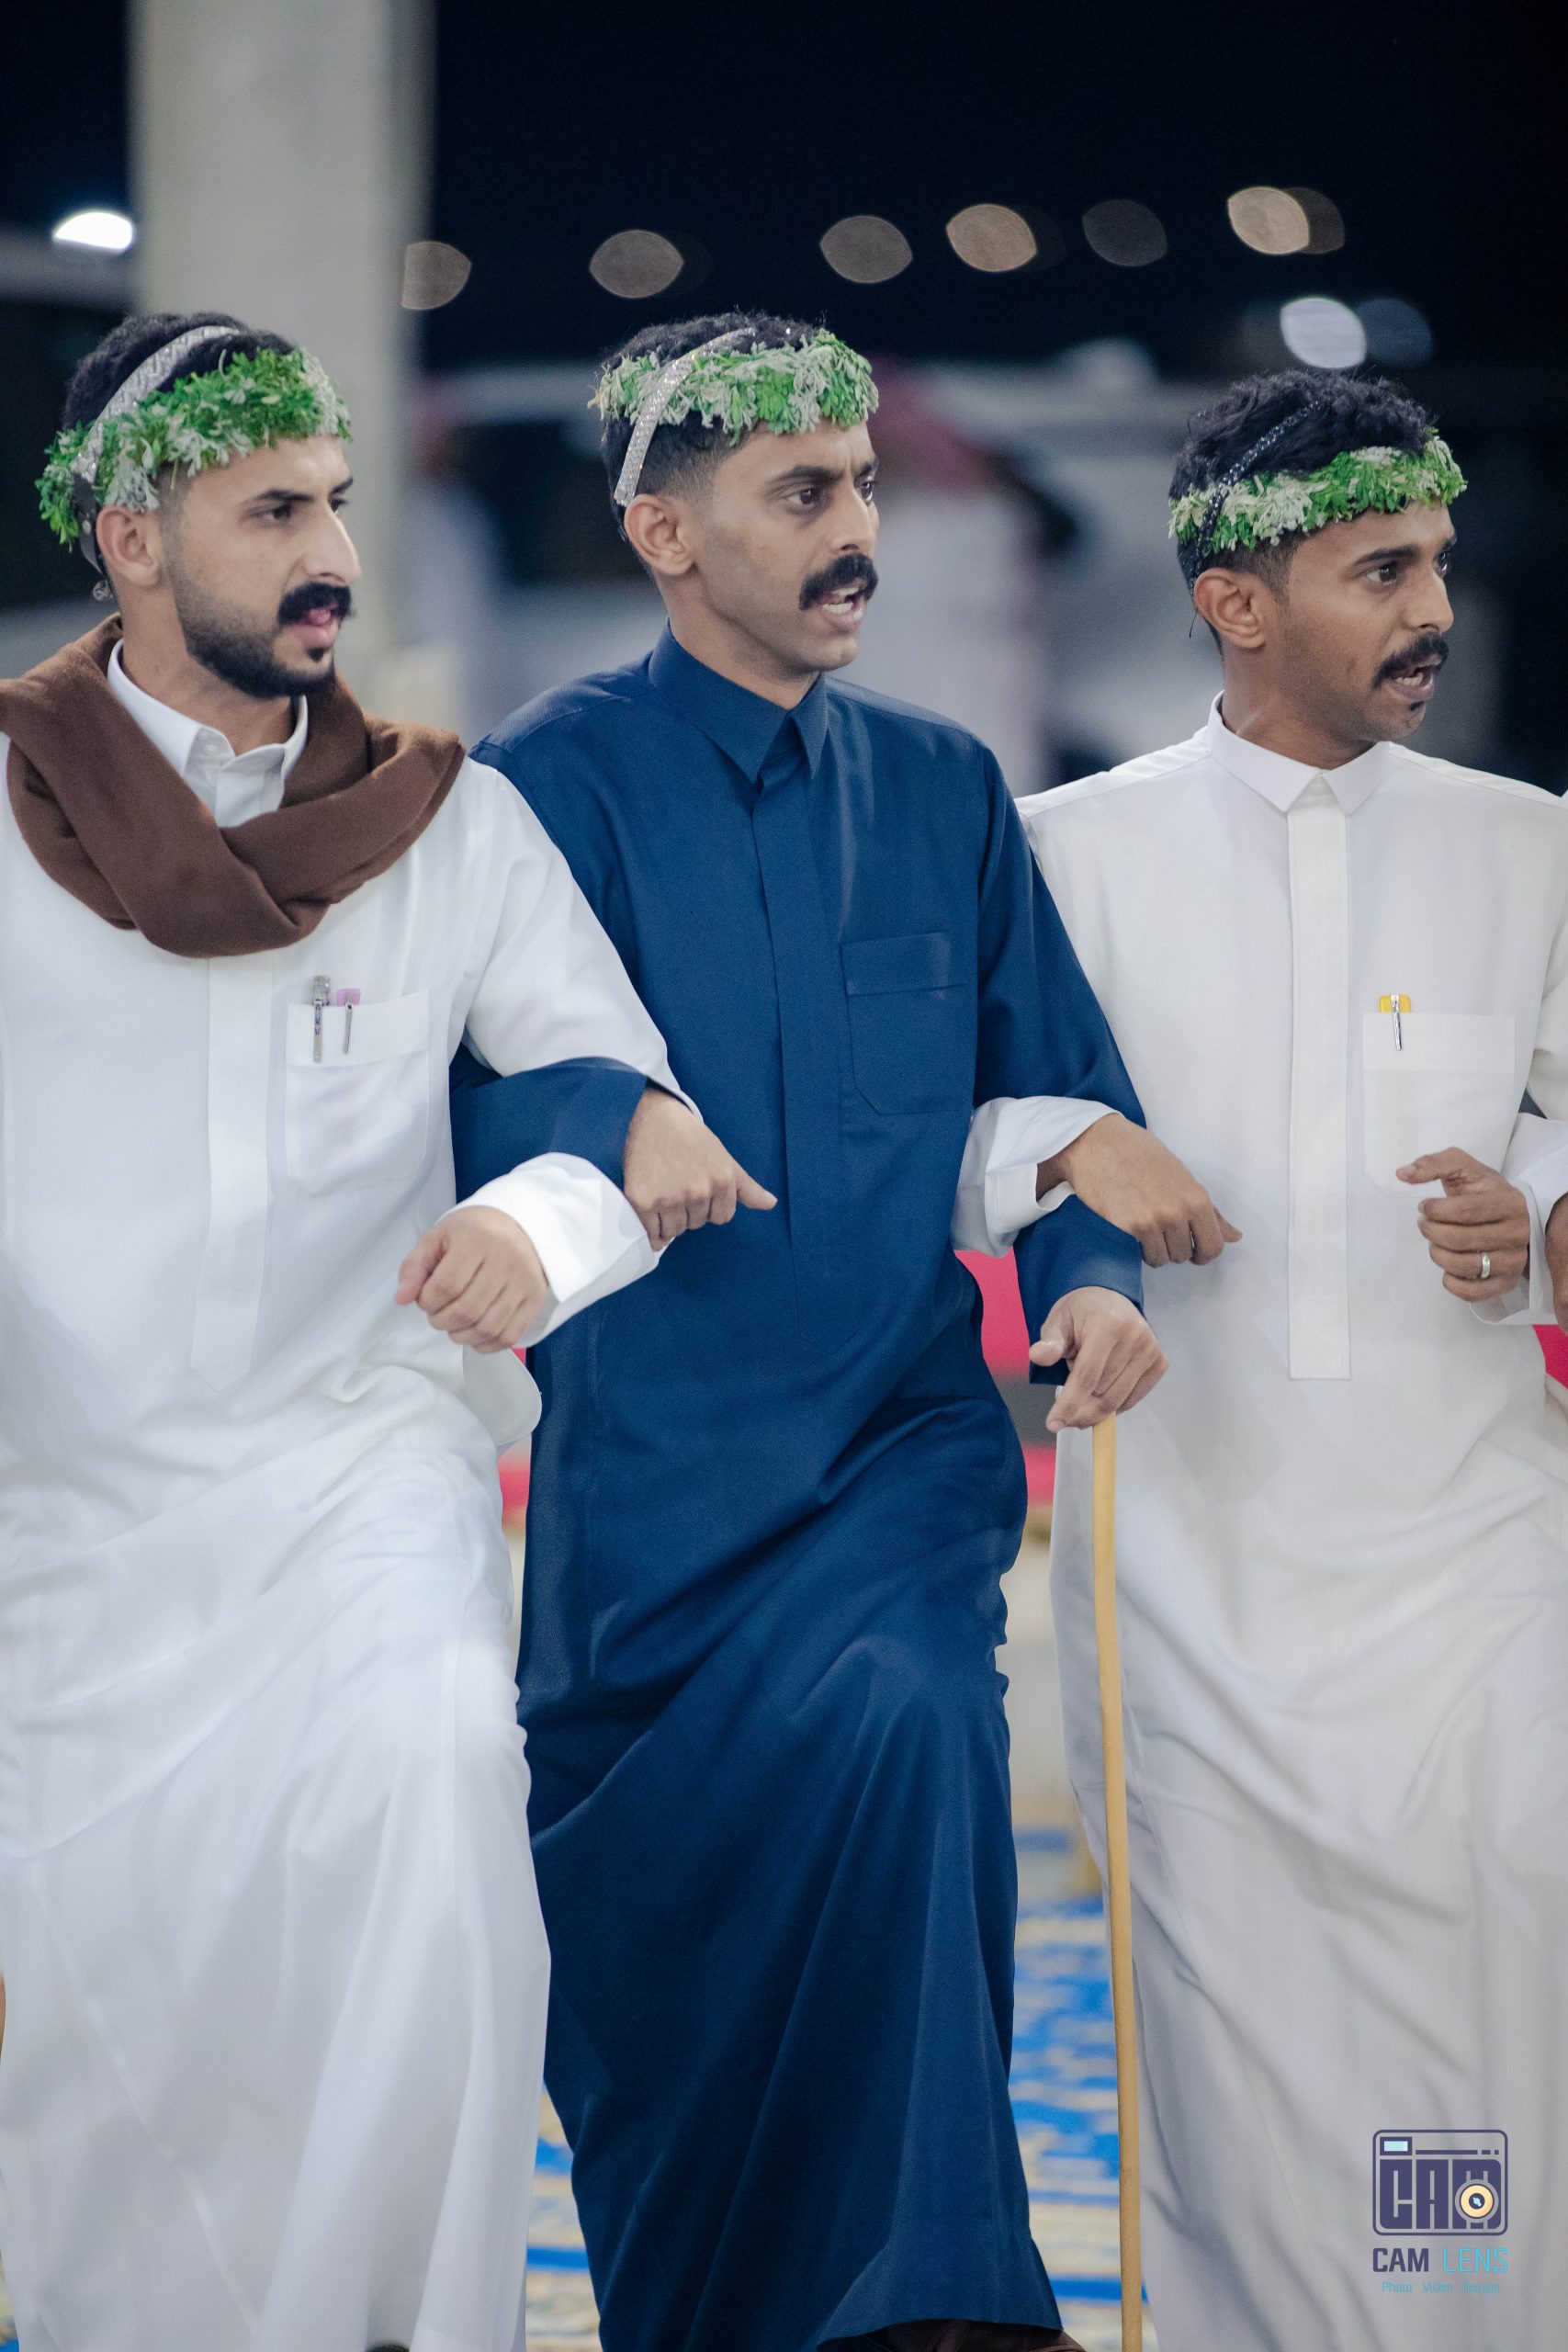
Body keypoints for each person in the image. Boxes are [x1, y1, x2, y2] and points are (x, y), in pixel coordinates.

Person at [456, 311, 1233, 2352]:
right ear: (663, 531)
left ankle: (940, 2314)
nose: (855, 527)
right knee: (666, 2016)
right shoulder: (536, 795)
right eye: (802, 491)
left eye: (865, 482)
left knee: (908, 1730)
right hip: (648, 1530)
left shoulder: (947, 790)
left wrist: (1088, 1281)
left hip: (896, 1469)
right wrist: (600, 1112)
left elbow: (1052, 1087)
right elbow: (455, 1097)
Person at [0, 311, 747, 2352]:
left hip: (359, 1471)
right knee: (122, 2004)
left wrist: (532, 1224)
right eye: (273, 513)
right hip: (62, 1522)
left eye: (335, 502)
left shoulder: (445, 821)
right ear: (131, 539)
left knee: (438, 1793)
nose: (331, 552)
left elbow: (618, 1099)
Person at [1018, 368, 1568, 2352]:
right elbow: (965, 1120)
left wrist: (1535, 1210)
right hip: (1186, 1548)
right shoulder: (1059, 851)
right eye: (1378, 571)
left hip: (1471, 1540)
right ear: (1233, 603)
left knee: (1479, 1991)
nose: (1433, 609)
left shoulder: (1530, 846)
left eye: (1438, 562)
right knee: (1233, 2022)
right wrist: (1072, 1155)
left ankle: (1456, 2312)